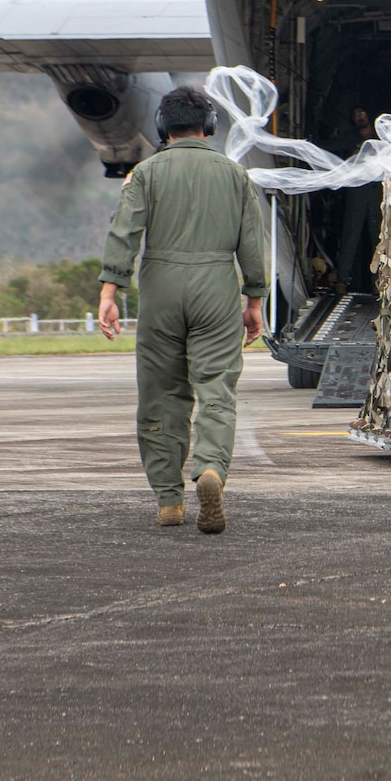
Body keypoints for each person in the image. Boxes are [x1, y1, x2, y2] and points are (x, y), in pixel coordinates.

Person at [98, 85, 268, 533]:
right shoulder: (235, 175)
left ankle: (169, 500)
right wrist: (255, 301)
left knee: (161, 394)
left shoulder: (146, 174)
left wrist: (109, 293)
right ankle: (211, 468)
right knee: (216, 388)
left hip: (161, 288)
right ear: (209, 126)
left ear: (162, 126)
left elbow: (125, 233)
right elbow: (252, 244)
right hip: (216, 286)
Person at [333, 105, 383, 292]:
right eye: (355, 116)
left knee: (378, 236)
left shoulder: (380, 139)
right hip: (357, 193)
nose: (359, 117)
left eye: (362, 113)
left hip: (377, 193)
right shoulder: (350, 139)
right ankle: (342, 281)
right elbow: (331, 146)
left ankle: (378, 280)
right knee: (350, 234)